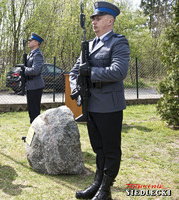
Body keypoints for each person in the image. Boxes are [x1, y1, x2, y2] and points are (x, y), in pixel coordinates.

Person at [69, 1, 130, 200]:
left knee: (111, 148)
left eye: (98, 18)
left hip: (109, 105)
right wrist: (76, 87)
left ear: (110, 21)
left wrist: (92, 72)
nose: (94, 22)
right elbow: (74, 71)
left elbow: (119, 71)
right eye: (93, 18)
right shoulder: (89, 45)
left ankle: (106, 189)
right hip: (91, 103)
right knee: (98, 147)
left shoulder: (118, 42)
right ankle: (97, 183)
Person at [23, 32, 45, 124]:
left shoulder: (37, 55)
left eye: (30, 40)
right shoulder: (31, 54)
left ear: (36, 43)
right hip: (31, 85)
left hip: (35, 86)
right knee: (31, 112)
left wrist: (23, 70)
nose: (29, 42)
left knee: (35, 112)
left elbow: (35, 70)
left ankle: (37, 134)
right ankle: (33, 134)